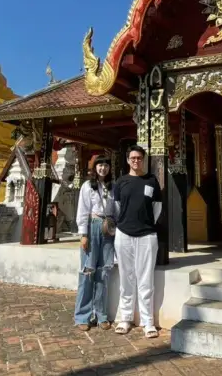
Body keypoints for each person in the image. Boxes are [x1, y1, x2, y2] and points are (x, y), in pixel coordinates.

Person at [112, 145, 162, 338]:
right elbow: (117, 208)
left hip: (147, 235)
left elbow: (157, 209)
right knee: (126, 278)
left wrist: (146, 223)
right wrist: (125, 223)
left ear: (144, 160)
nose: (136, 161)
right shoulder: (121, 182)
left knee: (146, 279)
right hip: (124, 234)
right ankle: (125, 318)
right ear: (128, 160)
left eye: (139, 158)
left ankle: (147, 321)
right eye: (133, 158)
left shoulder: (151, 181)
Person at [73, 155, 116, 331]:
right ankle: (82, 315)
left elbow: (117, 209)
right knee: (88, 271)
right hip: (92, 226)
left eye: (106, 165)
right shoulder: (87, 186)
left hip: (108, 228)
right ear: (94, 167)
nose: (103, 168)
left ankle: (101, 314)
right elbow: (82, 210)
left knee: (104, 272)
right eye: (100, 165)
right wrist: (83, 234)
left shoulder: (112, 187)